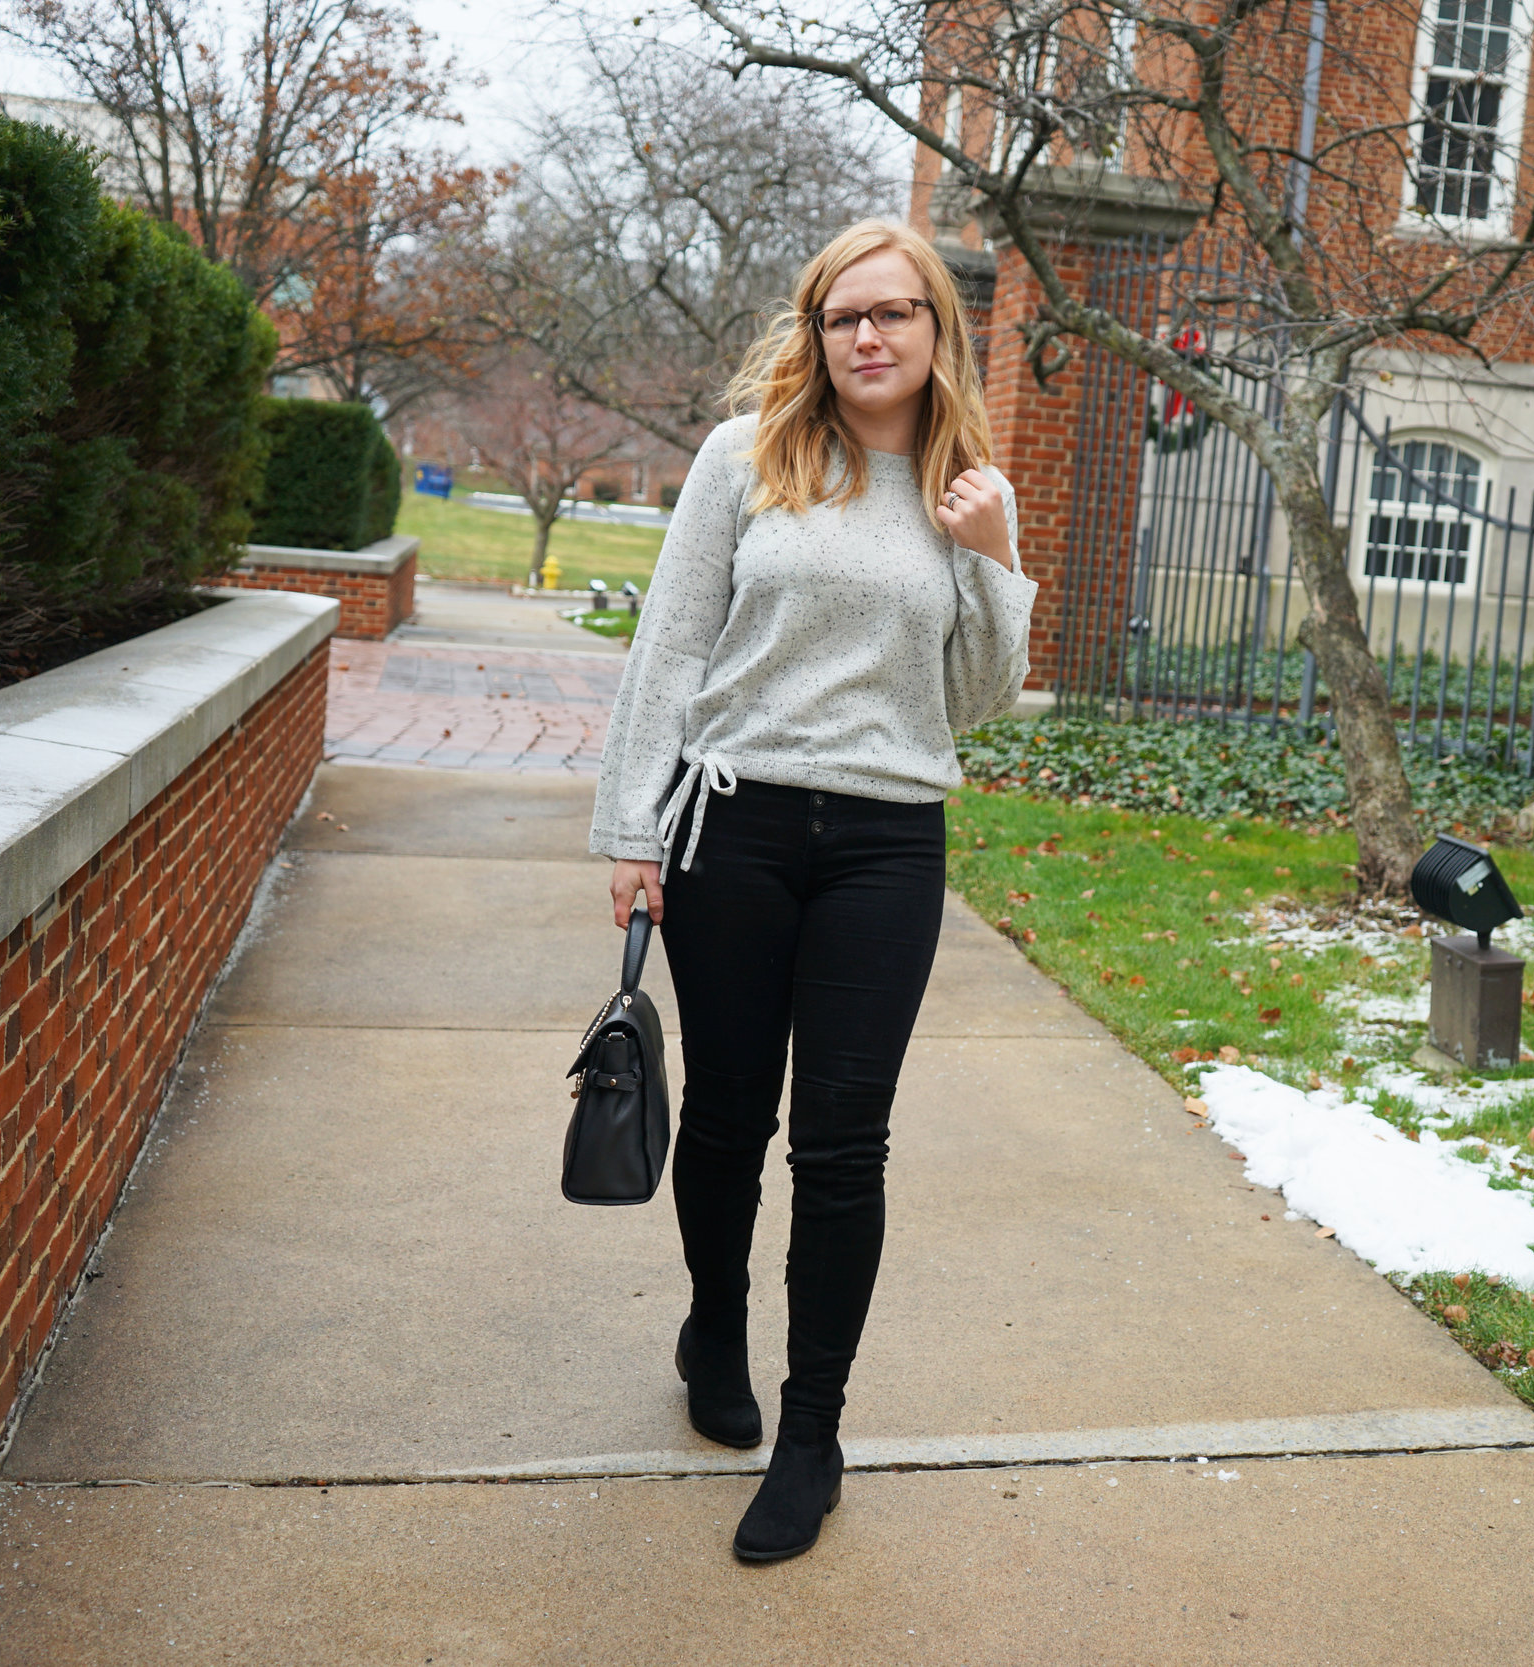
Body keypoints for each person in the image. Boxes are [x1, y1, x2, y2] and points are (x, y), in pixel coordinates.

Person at [586, 220, 1036, 1562]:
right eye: (847, 317)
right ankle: (712, 1318)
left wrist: (997, 555)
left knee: (844, 1143)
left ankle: (813, 1434)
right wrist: (631, 832)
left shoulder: (964, 488)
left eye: (897, 314)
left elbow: (974, 704)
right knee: (728, 1116)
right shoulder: (749, 459)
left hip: (889, 843)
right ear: (815, 329)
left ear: (937, 331)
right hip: (734, 826)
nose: (871, 338)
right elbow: (667, 655)